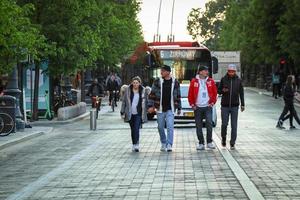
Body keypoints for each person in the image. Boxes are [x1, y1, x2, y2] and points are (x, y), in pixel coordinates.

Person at [148, 65, 181, 152]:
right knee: (160, 127)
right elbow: (152, 94)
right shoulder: (157, 81)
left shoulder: (175, 82)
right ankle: (163, 142)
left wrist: (179, 108)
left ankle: (169, 144)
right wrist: (150, 106)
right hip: (160, 108)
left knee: (170, 126)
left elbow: (178, 95)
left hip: (171, 108)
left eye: (162, 71)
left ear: (168, 72)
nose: (161, 72)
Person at [188, 66, 218, 150]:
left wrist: (212, 103)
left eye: (207, 70)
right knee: (198, 125)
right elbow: (190, 94)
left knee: (209, 123)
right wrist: (192, 104)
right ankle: (201, 143)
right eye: (205, 70)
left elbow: (215, 93)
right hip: (197, 107)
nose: (207, 72)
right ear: (200, 72)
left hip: (208, 106)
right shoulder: (194, 81)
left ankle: (209, 142)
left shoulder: (210, 81)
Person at [218, 64, 245, 150]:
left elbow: (241, 93)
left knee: (234, 125)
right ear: (227, 71)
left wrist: (243, 104)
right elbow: (218, 90)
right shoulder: (223, 79)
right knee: (224, 124)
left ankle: (232, 142)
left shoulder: (238, 80)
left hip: (235, 106)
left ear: (235, 72)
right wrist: (223, 90)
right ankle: (223, 138)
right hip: (225, 106)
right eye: (230, 71)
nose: (231, 73)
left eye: (233, 71)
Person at [120, 76, 148, 152]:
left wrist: (147, 111)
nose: (135, 84)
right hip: (130, 113)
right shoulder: (128, 90)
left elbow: (146, 102)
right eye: (134, 83)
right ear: (132, 83)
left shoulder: (143, 91)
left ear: (139, 83)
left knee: (136, 128)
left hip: (139, 113)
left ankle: (136, 145)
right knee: (132, 129)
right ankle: (134, 143)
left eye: (137, 83)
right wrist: (122, 112)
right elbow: (124, 102)